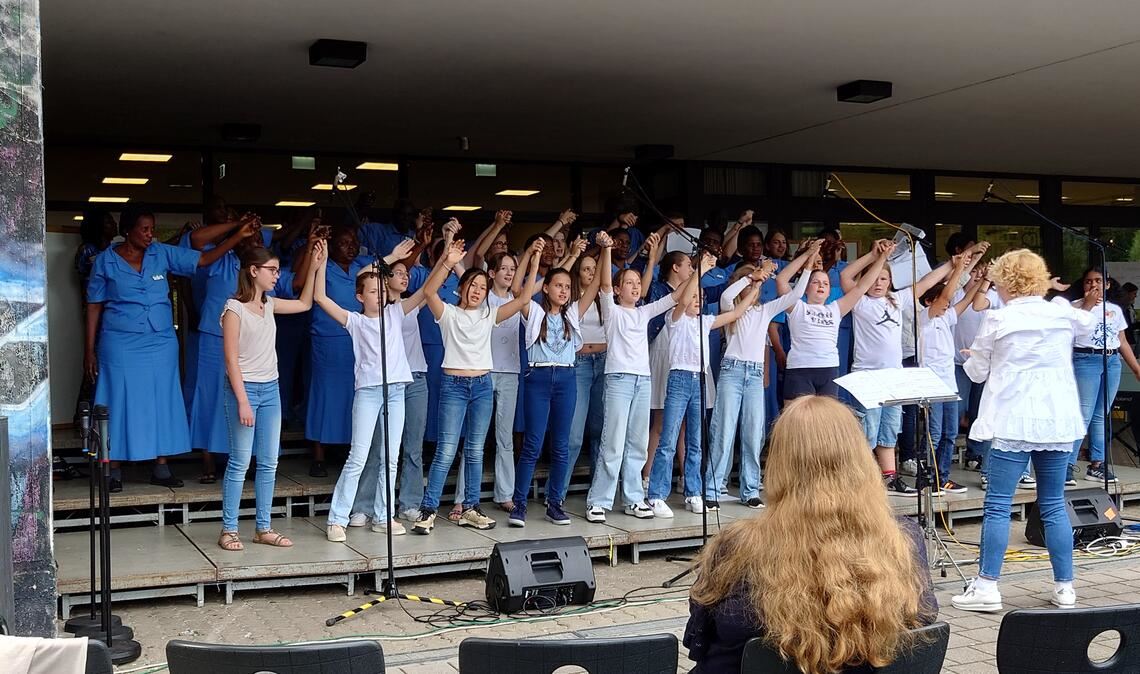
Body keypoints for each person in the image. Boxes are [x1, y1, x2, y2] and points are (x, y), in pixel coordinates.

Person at [685, 395, 936, 674]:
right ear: (861, 459)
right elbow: (924, 621)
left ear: (779, 462)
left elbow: (698, 640)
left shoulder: (737, 548)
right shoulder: (903, 542)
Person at [953, 249, 1096, 612]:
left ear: (1005, 282)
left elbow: (977, 373)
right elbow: (1088, 325)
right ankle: (1065, 588)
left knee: (998, 505)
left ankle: (987, 586)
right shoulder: (1061, 311)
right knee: (1053, 504)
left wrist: (971, 357)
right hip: (1056, 419)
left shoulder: (999, 318)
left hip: (1014, 418)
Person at [84, 207, 221, 491]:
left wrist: (237, 233)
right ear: (128, 230)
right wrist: (89, 350)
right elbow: (94, 306)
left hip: (160, 341)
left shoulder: (161, 253)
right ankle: (113, 468)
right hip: (120, 341)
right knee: (117, 401)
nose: (150, 234)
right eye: (144, 229)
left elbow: (203, 259)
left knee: (162, 400)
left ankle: (161, 467)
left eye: (152, 229)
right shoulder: (105, 261)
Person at [411, 234, 540, 535]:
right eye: (472, 285)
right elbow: (429, 291)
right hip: (454, 385)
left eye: (482, 287)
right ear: (462, 288)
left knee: (475, 450)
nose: (477, 291)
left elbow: (523, 299)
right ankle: (428, 510)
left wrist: (533, 261)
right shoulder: (449, 313)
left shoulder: (489, 315)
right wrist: (448, 262)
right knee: (446, 450)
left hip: (482, 385)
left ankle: (471, 507)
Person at [584, 241, 715, 523]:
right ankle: (599, 501)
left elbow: (677, 296)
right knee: (613, 440)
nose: (634, 287)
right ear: (617, 290)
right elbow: (604, 284)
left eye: (637, 282)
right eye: (628, 283)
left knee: (638, 441)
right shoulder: (612, 310)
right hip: (618, 379)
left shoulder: (643, 312)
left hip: (643, 380)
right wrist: (607, 250)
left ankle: (633, 498)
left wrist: (700, 270)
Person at [318, 244, 436, 542]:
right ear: (360, 296)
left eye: (382, 290)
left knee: (391, 458)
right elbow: (320, 297)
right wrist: (320, 264)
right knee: (358, 456)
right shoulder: (355, 321)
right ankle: (337, 519)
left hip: (396, 390)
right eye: (373, 291)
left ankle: (383, 516)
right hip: (369, 393)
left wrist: (446, 261)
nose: (380, 294)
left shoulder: (395, 312)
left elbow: (427, 290)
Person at [217, 242, 324, 551]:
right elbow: (231, 360)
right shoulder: (234, 308)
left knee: (268, 461)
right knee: (240, 461)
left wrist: (315, 266)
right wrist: (242, 401)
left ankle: (263, 527)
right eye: (272, 270)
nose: (277, 275)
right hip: (244, 388)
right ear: (254, 271)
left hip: (270, 389)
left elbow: (305, 303)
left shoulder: (271, 304)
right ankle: (229, 529)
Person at [840, 241, 963, 494]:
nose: (878, 283)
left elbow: (927, 282)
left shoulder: (897, 299)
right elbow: (846, 276)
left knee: (889, 431)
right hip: (867, 376)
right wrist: (874, 257)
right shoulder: (860, 301)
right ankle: (861, 480)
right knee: (868, 430)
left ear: (890, 282)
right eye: (874, 278)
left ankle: (890, 477)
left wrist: (952, 265)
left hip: (893, 377)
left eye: (884, 278)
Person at [646, 258, 764, 517]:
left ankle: (693, 491)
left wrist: (754, 287)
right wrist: (700, 271)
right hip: (679, 378)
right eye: (694, 296)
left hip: (698, 379)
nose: (698, 300)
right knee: (669, 438)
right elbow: (683, 299)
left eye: (701, 297)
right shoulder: (674, 318)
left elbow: (735, 313)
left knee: (695, 441)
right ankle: (656, 494)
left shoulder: (706, 321)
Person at [508, 261, 600, 527]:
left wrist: (605, 251)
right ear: (545, 288)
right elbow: (519, 291)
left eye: (567, 287)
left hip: (566, 378)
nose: (563, 291)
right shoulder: (535, 312)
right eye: (558, 285)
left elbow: (596, 285)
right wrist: (534, 258)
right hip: (538, 377)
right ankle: (519, 504)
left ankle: (555, 503)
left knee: (561, 445)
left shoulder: (572, 314)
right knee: (533, 444)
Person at [779, 239, 893, 401]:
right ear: (806, 288)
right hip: (800, 369)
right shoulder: (797, 307)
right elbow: (781, 280)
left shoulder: (835, 309)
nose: (821, 285)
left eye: (825, 283)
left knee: (828, 416)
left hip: (829, 368)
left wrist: (878, 258)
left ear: (829, 292)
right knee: (797, 415)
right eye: (815, 282)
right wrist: (807, 255)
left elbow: (861, 287)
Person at [1065, 268, 1140, 485]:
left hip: (1111, 360)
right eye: (1088, 281)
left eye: (1098, 281)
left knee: (1101, 414)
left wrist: (1136, 369)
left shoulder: (1114, 309)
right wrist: (1088, 305)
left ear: (1107, 285)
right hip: (1085, 358)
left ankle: (1097, 464)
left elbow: (1122, 341)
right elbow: (1071, 333)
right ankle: (1067, 464)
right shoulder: (1074, 306)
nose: (1093, 285)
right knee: (1083, 413)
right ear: (1083, 285)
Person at [917, 254, 982, 495]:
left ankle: (942, 477)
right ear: (929, 301)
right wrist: (957, 270)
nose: (946, 304)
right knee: (933, 433)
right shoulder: (924, 317)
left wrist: (982, 281)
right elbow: (947, 296)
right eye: (940, 300)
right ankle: (926, 479)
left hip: (949, 384)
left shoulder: (946, 317)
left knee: (950, 433)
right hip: (931, 384)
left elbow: (965, 300)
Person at [562, 253, 607, 495]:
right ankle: (558, 491)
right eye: (586, 269)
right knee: (574, 434)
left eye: (594, 269)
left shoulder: (604, 297)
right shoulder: (570, 299)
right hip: (579, 362)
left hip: (603, 360)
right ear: (577, 273)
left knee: (599, 429)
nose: (591, 273)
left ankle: (597, 490)